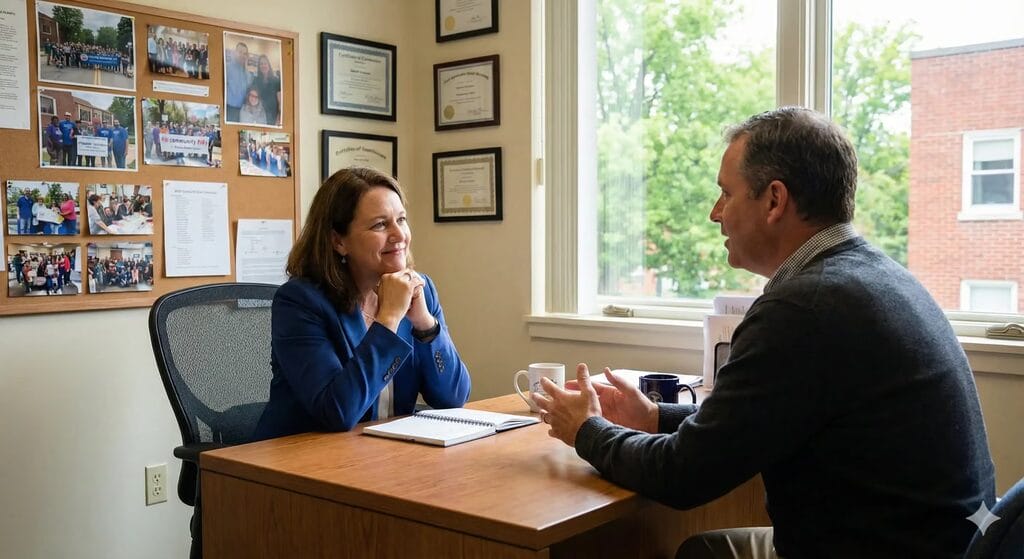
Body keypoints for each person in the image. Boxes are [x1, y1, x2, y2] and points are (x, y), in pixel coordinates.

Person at [532, 107, 995, 559]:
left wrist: (586, 430)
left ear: (774, 200)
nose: (715, 213)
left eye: (726, 193)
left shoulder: (803, 309)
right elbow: (756, 422)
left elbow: (682, 476)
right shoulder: (876, 277)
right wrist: (655, 416)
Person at [254, 167, 472, 440]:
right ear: (338, 241)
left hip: (383, 453)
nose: (399, 235)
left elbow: (454, 398)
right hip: (300, 456)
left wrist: (425, 325)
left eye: (401, 220)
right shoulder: (300, 302)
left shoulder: (420, 290)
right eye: (380, 225)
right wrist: (388, 319)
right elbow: (336, 412)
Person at [224, 42, 251, 122]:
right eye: (240, 52)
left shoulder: (247, 72)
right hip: (230, 109)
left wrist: (246, 66)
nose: (242, 55)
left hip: (243, 111)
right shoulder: (227, 68)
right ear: (235, 52)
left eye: (245, 53)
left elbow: (249, 88)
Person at [253, 54, 281, 126]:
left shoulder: (276, 81)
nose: (263, 66)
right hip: (259, 116)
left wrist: (278, 118)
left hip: (273, 117)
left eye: (265, 63)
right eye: (261, 64)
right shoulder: (255, 80)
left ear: (269, 65)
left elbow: (280, 102)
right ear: (259, 66)